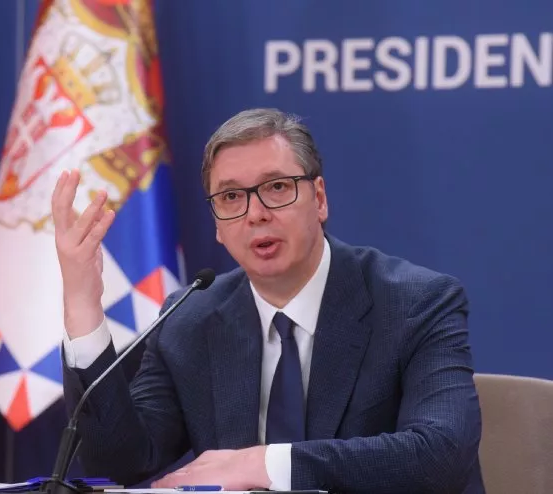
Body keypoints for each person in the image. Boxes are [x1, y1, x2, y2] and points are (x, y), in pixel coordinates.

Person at [53, 108, 486, 493]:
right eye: (231, 197)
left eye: (277, 187)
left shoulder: (415, 303)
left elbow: (440, 456)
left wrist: (262, 464)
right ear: (218, 225)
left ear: (319, 199)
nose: (255, 213)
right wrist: (83, 304)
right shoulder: (191, 319)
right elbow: (121, 463)